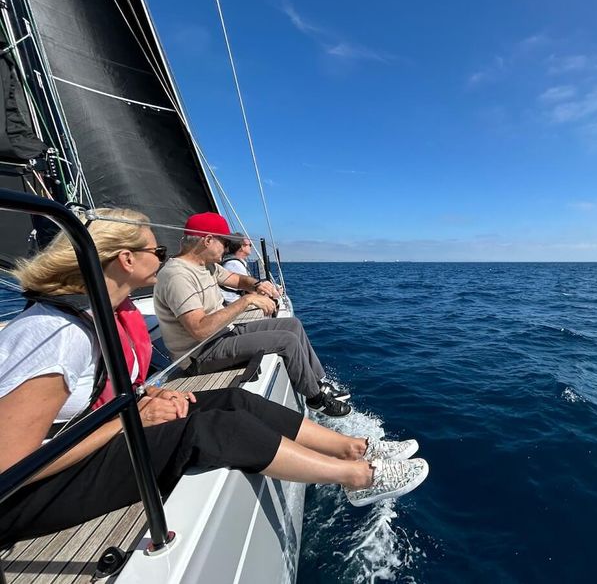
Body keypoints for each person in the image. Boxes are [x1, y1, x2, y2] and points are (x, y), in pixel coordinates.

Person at [0, 209, 428, 546]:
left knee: (233, 400)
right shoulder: (55, 335)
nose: (162, 258)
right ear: (127, 260)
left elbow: (95, 396)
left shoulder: (101, 315)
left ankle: (356, 447)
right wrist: (129, 421)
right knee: (214, 428)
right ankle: (358, 479)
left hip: (86, 443)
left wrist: (146, 399)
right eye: (157, 251)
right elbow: (10, 468)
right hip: (23, 498)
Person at [153, 212, 351, 417]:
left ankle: (317, 382)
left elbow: (235, 279)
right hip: (199, 354)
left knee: (292, 325)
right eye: (224, 242)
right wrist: (247, 300)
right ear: (208, 240)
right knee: (286, 341)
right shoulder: (178, 275)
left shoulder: (206, 265)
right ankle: (315, 399)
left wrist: (257, 285)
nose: (227, 247)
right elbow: (199, 330)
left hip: (222, 335)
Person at [220, 232, 252, 304]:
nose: (251, 247)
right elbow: (252, 289)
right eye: (250, 245)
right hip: (233, 306)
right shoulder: (234, 264)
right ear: (242, 246)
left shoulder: (234, 262)